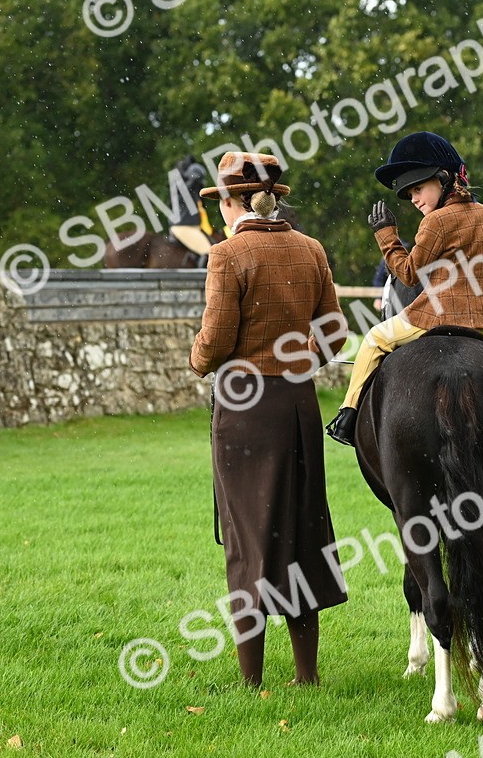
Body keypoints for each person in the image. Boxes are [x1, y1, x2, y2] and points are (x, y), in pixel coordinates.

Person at [189, 152, 348, 687]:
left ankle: (251, 681)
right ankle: (307, 676)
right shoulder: (311, 250)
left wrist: (197, 361)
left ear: (231, 204)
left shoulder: (227, 255)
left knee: (249, 537)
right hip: (299, 405)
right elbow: (333, 335)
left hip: (245, 411)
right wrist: (295, 359)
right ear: (275, 198)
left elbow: (214, 340)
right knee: (303, 532)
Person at [325, 131, 483, 461]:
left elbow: (409, 273)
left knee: (373, 340)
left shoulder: (435, 222)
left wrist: (387, 236)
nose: (413, 199)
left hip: (433, 315)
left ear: (443, 179)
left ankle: (347, 416)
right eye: (410, 193)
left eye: (418, 188)